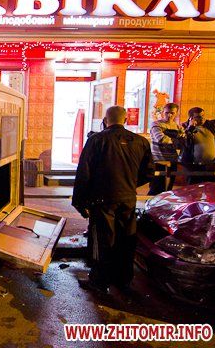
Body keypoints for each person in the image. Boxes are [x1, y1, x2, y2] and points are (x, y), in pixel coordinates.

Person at [72, 106, 153, 294]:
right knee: (126, 239)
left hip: (102, 199)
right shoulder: (141, 142)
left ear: (105, 120)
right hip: (128, 198)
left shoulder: (97, 140)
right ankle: (123, 280)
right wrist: (129, 183)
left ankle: (99, 281)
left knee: (102, 239)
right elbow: (148, 172)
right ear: (125, 120)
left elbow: (84, 172)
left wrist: (79, 201)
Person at [180, 107, 215, 183]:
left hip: (212, 165)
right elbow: (184, 142)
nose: (202, 118)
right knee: (194, 187)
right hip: (193, 166)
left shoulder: (213, 126)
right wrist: (191, 127)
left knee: (211, 187)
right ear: (191, 118)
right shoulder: (184, 127)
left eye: (203, 116)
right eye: (198, 117)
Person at [148, 103, 184, 195]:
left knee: (169, 188)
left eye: (172, 113)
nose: (169, 115)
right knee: (156, 187)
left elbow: (183, 142)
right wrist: (176, 140)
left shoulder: (178, 127)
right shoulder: (156, 124)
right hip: (159, 160)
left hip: (172, 159)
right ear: (163, 112)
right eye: (167, 113)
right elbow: (161, 139)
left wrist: (174, 140)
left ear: (176, 113)